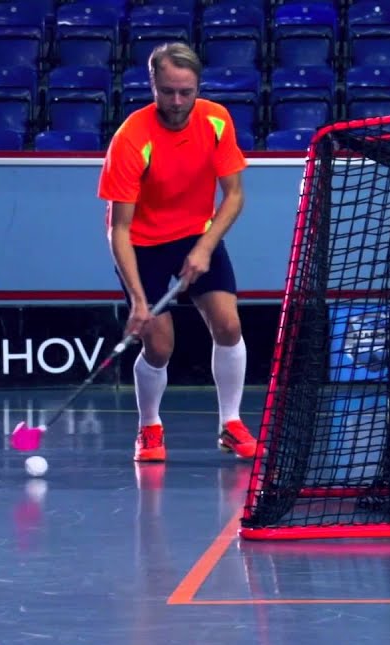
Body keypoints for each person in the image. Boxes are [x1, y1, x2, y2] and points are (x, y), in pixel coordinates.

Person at [97, 42, 256, 463]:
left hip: (195, 235)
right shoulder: (132, 139)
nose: (178, 101)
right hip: (143, 244)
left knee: (228, 324)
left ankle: (231, 424)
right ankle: (149, 426)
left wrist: (204, 247)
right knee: (160, 345)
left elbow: (235, 195)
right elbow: (119, 229)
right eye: (168, 91)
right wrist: (137, 300)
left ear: (197, 86)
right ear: (153, 86)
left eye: (186, 91)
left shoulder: (216, 120)